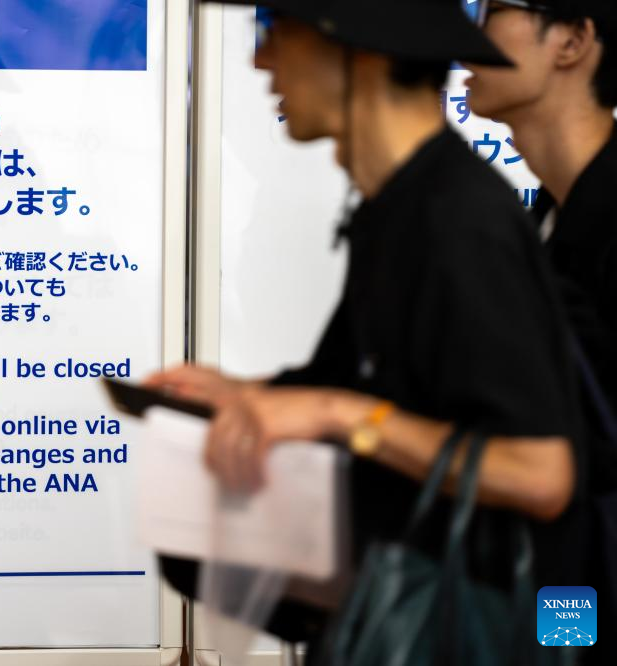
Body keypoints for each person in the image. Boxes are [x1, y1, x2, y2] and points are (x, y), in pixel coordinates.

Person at [147, 0, 588, 656]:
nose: (260, 60)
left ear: (365, 55)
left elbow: (540, 473)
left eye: (276, 32)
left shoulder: (457, 220)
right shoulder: (399, 206)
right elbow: (393, 388)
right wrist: (246, 394)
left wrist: (335, 412)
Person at [465, 1, 617, 660]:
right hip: (567, 599)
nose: (466, 41)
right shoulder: (541, 224)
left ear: (573, 41)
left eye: (493, 11)